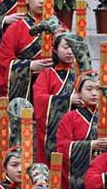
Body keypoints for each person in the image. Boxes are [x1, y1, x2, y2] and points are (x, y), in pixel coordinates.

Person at [55, 71, 107, 189]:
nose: (94, 93)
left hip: (103, 174)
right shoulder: (70, 118)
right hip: (78, 177)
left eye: (98, 89)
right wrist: (91, 145)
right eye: (89, 89)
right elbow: (62, 146)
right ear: (78, 93)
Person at [0, 0, 53, 100]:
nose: (42, 1)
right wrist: (30, 65)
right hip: (26, 89)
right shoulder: (15, 29)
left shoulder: (59, 27)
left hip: (52, 88)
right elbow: (3, 62)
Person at [32, 32, 77, 165]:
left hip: (75, 131)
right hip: (52, 132)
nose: (70, 51)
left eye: (73, 47)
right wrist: (68, 100)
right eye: (66, 47)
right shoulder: (47, 75)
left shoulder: (81, 75)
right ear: (55, 50)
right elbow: (39, 99)